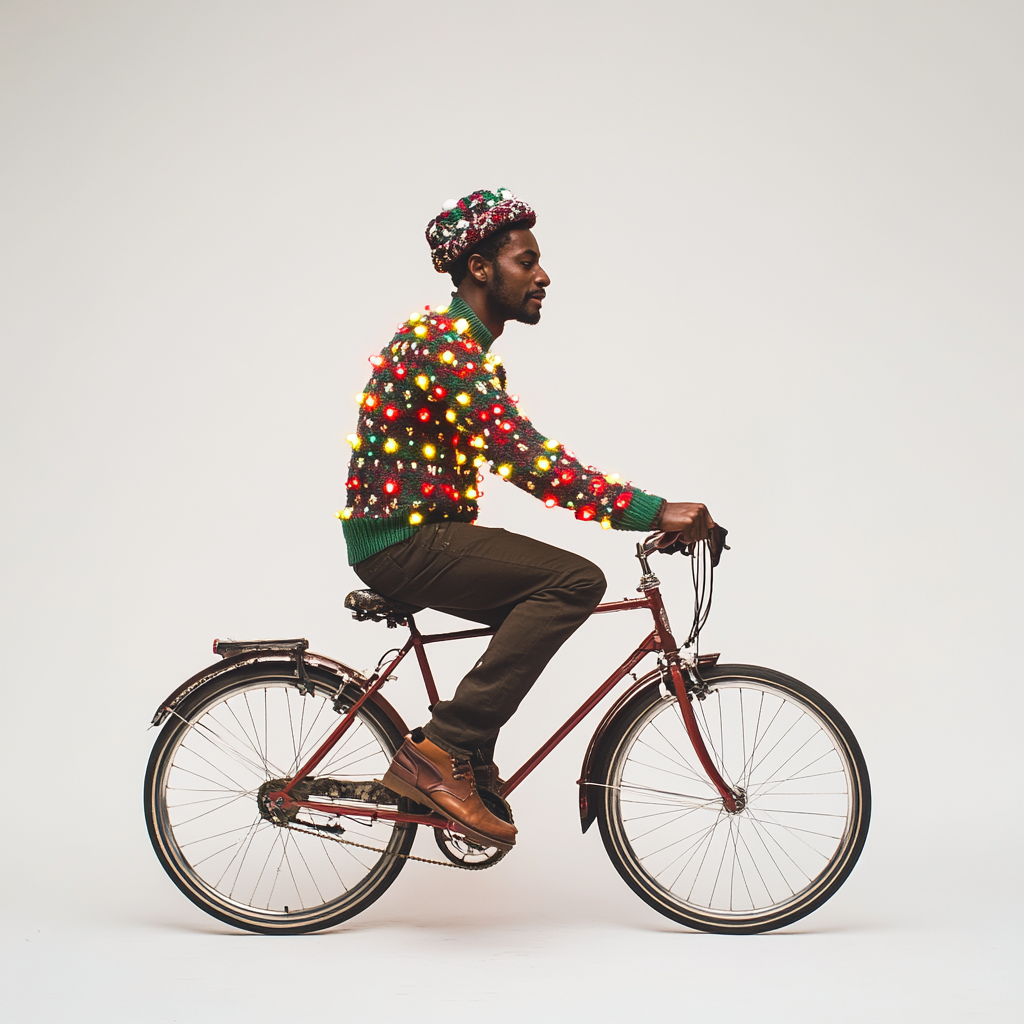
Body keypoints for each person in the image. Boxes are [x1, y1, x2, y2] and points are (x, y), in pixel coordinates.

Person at [340, 187, 718, 851]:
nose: (543, 275)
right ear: (481, 269)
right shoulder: (447, 347)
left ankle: (467, 754)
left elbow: (522, 455)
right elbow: (527, 460)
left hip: (419, 536)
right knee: (570, 584)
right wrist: (654, 510)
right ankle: (444, 751)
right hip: (404, 542)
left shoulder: (460, 347)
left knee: (535, 602)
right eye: (526, 261)